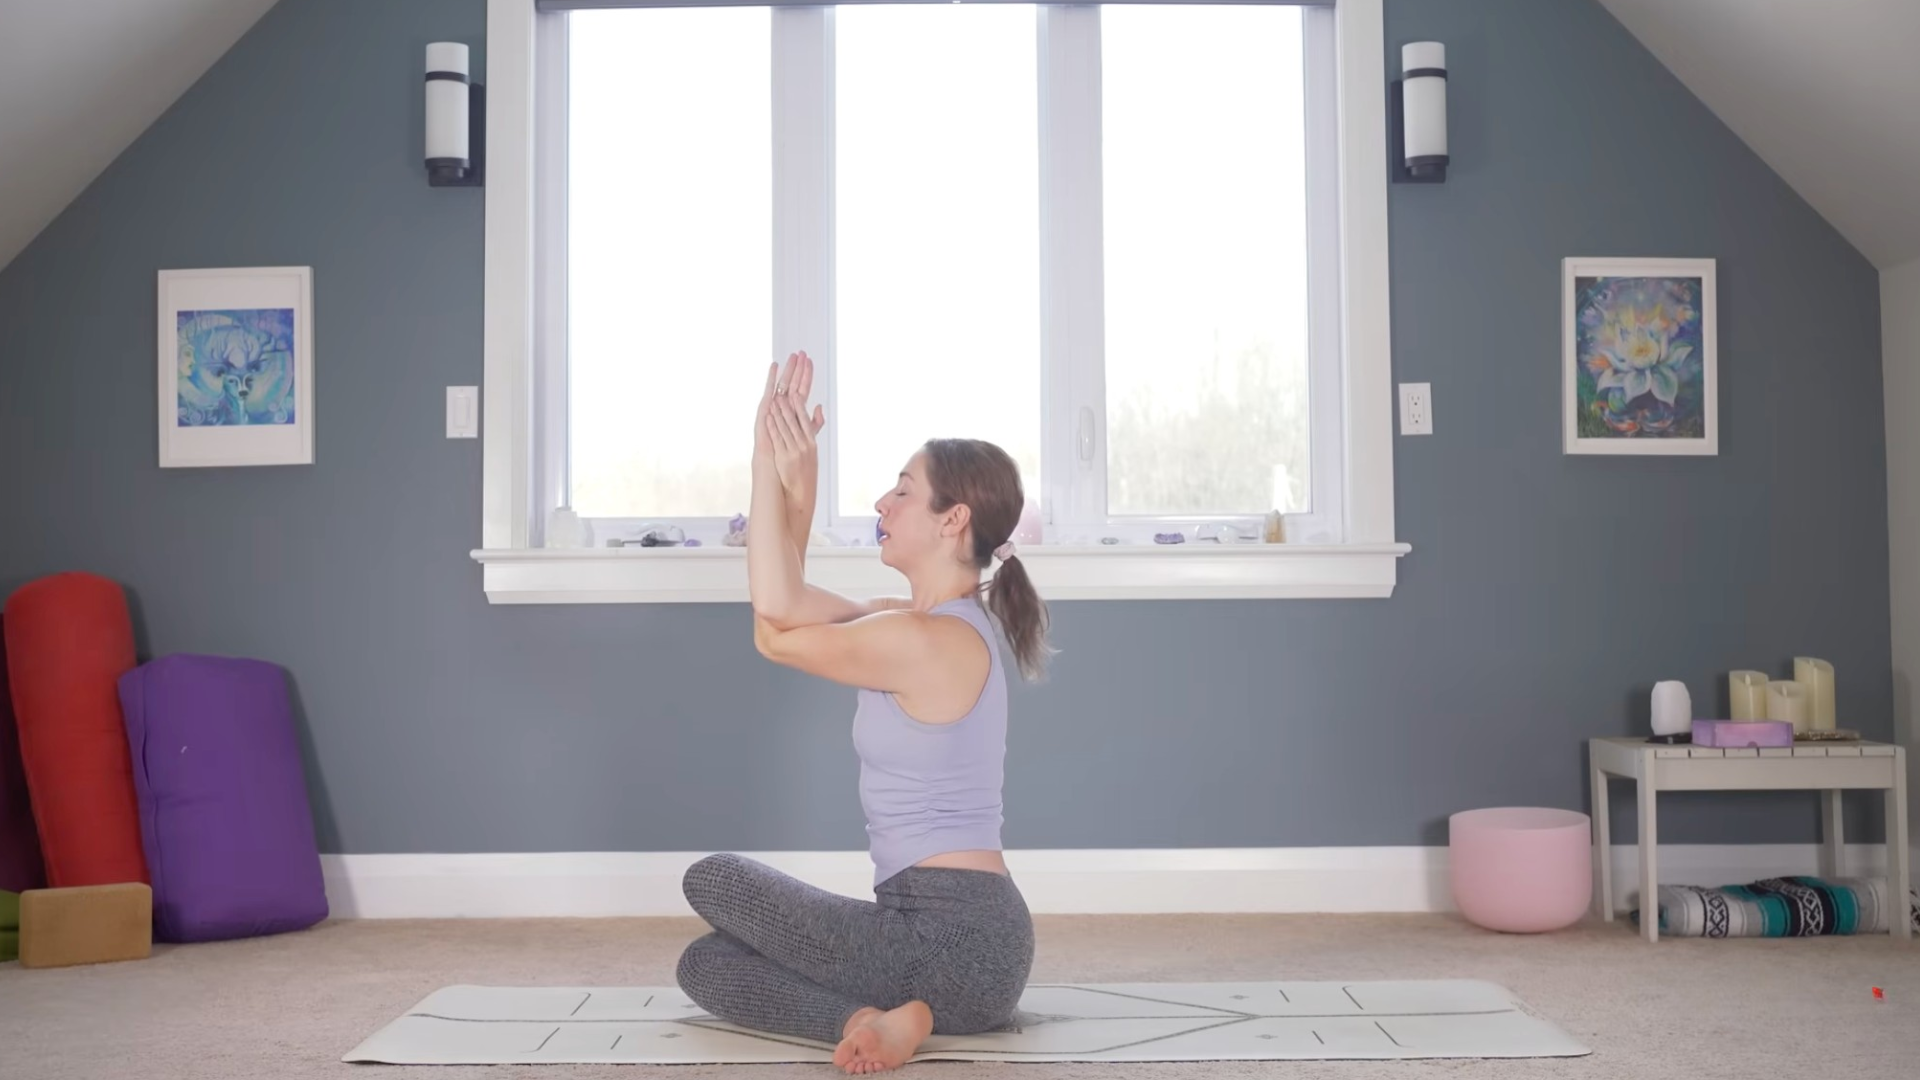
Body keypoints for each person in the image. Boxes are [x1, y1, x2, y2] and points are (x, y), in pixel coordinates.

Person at [675, 350, 1050, 1075]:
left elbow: (774, 616)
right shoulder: (910, 625)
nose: (882, 503)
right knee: (704, 967)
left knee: (713, 880)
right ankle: (879, 1023)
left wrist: (767, 463)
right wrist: (796, 492)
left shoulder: (922, 641)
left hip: (948, 936)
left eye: (902, 491)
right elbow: (781, 619)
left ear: (955, 519)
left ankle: (897, 1009)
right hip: (964, 954)